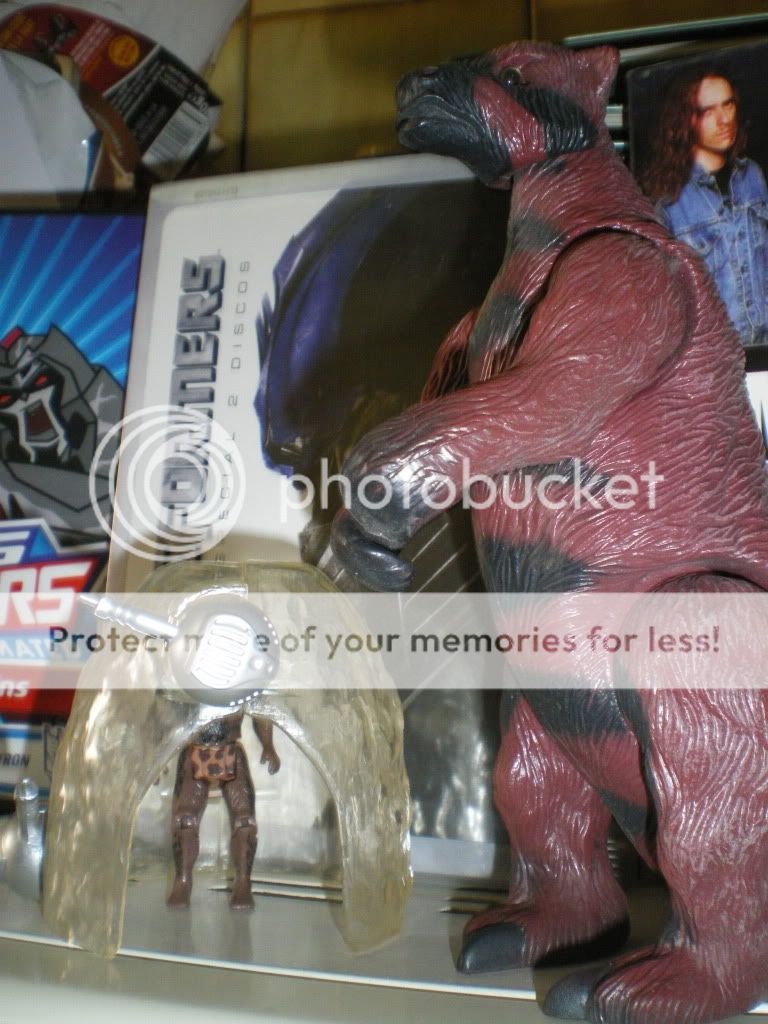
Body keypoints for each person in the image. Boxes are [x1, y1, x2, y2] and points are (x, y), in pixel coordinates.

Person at [640, 70, 768, 347]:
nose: (725, 120)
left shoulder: (753, 176)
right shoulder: (667, 199)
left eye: (728, 105)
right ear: (686, 119)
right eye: (709, 111)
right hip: (714, 357)